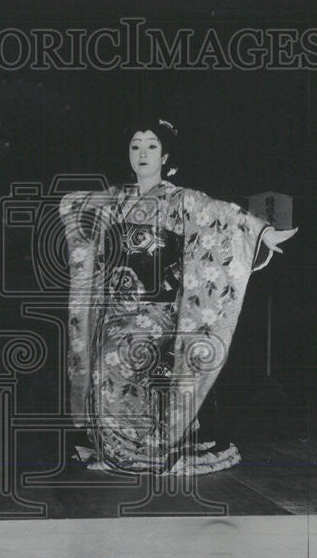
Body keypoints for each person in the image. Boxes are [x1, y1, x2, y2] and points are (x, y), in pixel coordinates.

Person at [59, 117, 296, 475]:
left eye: (151, 146)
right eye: (135, 145)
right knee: (100, 352)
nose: (142, 153)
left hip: (159, 310)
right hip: (114, 309)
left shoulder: (180, 200)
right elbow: (74, 205)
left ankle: (150, 444)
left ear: (165, 155)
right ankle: (113, 444)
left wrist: (262, 235)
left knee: (126, 349)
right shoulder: (115, 198)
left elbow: (225, 218)